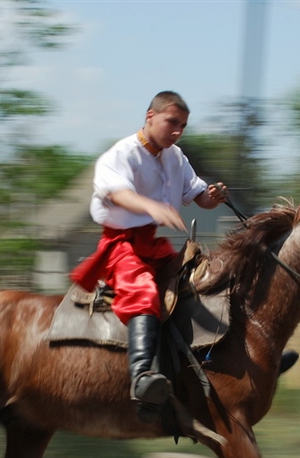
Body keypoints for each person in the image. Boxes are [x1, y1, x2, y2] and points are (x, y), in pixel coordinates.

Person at [70, 91, 229, 423]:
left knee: (200, 279)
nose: (177, 131)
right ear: (150, 116)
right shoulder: (121, 154)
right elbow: (119, 193)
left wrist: (213, 196)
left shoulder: (175, 156)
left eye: (183, 126)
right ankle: (142, 377)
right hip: (121, 246)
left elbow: (198, 195)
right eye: (172, 122)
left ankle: (233, 360)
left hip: (153, 245)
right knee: (142, 291)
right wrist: (152, 207)